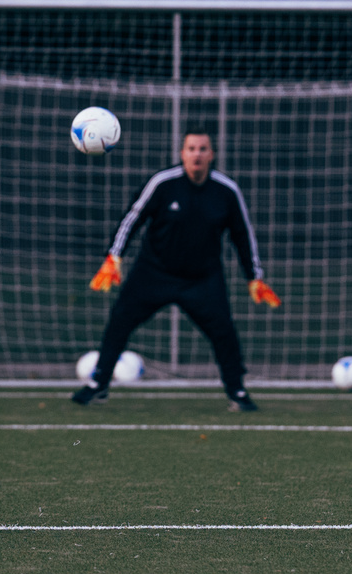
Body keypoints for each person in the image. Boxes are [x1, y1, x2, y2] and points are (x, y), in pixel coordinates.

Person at [73, 129, 281, 411]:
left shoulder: (226, 191)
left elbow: (243, 234)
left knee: (224, 333)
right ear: (182, 153)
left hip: (203, 279)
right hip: (153, 272)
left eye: (203, 149)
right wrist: (114, 257)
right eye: (192, 148)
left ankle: (237, 391)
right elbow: (132, 218)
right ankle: (99, 385)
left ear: (212, 155)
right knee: (119, 322)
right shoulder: (163, 183)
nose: (197, 154)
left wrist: (254, 277)